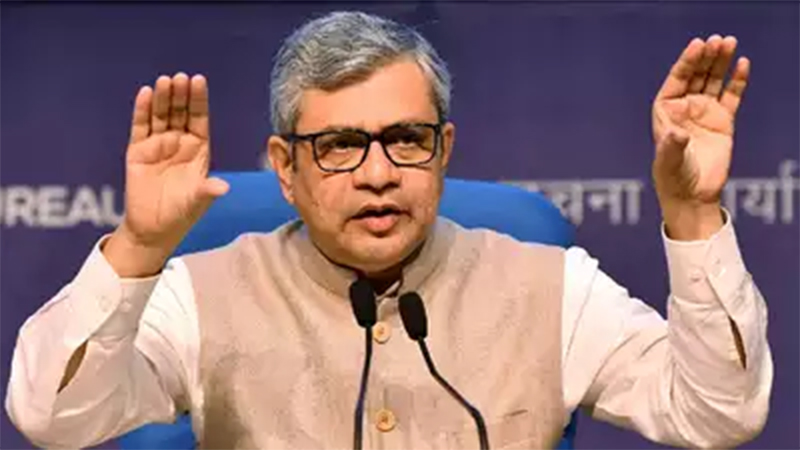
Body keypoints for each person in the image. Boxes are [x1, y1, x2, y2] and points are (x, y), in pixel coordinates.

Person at [6, 10, 771, 450]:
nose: (379, 173)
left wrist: (692, 212)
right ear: (285, 167)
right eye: (340, 145)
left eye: (406, 138)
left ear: (443, 150)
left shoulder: (552, 287)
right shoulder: (201, 295)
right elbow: (53, 418)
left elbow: (718, 416)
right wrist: (140, 246)